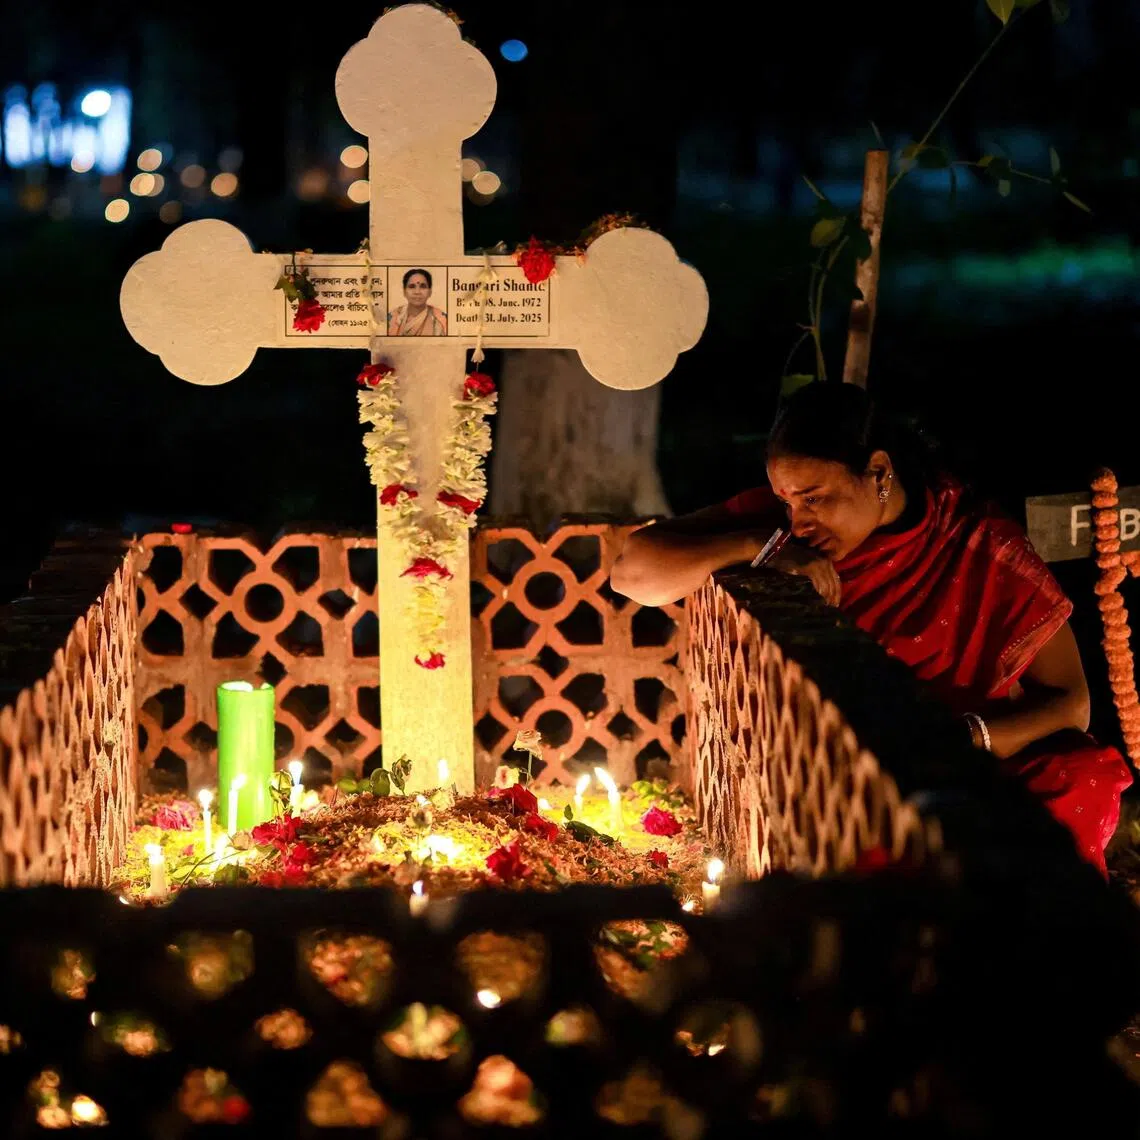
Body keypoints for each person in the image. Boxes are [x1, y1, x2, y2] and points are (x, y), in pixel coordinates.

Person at [611, 382, 1132, 875]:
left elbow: (1072, 704)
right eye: (788, 502)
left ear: (880, 472)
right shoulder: (781, 532)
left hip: (969, 770)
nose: (799, 520)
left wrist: (965, 739)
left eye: (815, 499)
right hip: (831, 776)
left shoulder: (975, 542)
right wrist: (755, 546)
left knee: (1079, 778)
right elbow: (632, 572)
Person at [387, 268, 447, 336]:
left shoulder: (442, 319)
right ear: (404, 292)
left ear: (430, 292)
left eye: (423, 286)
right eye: (412, 286)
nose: (417, 292)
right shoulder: (392, 318)